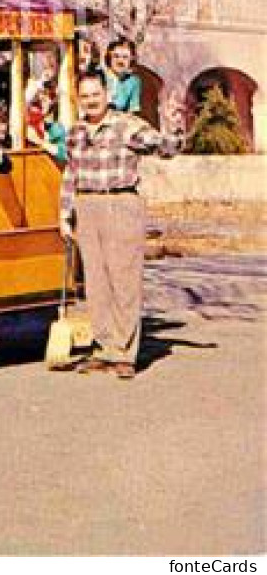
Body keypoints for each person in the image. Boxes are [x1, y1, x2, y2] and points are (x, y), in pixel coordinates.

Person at [59, 69, 185, 379]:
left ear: (107, 94)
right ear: (78, 99)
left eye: (95, 94)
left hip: (121, 202)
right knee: (96, 282)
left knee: (123, 279)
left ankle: (125, 353)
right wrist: (64, 213)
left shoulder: (126, 126)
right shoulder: (76, 131)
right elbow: (70, 173)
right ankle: (104, 347)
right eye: (85, 96)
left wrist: (173, 125)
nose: (91, 101)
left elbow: (164, 147)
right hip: (87, 206)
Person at [105, 38, 144, 116]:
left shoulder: (134, 82)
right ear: (109, 58)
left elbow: (132, 111)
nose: (120, 61)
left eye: (125, 57)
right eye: (116, 56)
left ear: (131, 60)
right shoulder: (99, 76)